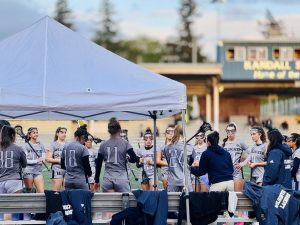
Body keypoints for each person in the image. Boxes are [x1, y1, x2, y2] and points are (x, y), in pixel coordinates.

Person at [94, 117, 140, 192]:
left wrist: (96, 180)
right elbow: (134, 159)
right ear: (119, 130)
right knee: (125, 202)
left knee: (109, 203)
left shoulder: (103, 145)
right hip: (121, 178)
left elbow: (98, 164)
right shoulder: (125, 143)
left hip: (107, 179)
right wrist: (139, 159)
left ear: (109, 131)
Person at [162, 125, 195, 192]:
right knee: (188, 201)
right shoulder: (189, 147)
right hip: (185, 180)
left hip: (172, 180)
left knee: (172, 201)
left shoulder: (166, 148)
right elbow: (191, 162)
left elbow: (168, 162)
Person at [61, 125, 92, 190]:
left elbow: (62, 165)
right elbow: (87, 165)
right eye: (84, 140)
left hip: (68, 180)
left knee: (70, 199)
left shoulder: (65, 146)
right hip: (80, 180)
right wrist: (90, 177)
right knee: (83, 199)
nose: (84, 142)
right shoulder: (83, 148)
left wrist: (62, 178)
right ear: (81, 137)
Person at [222, 123, 249, 192]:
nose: (230, 133)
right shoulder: (222, 144)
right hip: (225, 173)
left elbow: (252, 153)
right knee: (226, 196)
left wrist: (243, 163)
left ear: (235, 131)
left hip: (237, 172)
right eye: (228, 131)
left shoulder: (240, 142)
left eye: (232, 131)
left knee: (237, 195)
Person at [0, 125, 27, 193]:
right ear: (12, 135)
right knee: (17, 203)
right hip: (14, 181)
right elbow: (24, 164)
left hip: (1, 181)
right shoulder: (18, 149)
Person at [22, 127, 46, 193]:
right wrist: (37, 161)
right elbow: (25, 161)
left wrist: (43, 159)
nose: (36, 134)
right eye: (34, 132)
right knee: (29, 191)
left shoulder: (41, 144)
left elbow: (43, 155)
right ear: (29, 135)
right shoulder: (25, 145)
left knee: (42, 192)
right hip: (28, 171)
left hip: (38, 171)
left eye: (37, 132)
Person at [46, 127, 67, 191]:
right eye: (62, 132)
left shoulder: (68, 144)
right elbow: (48, 159)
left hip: (67, 169)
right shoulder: (53, 144)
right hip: (57, 169)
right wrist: (59, 161)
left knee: (66, 189)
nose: (64, 134)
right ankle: (53, 200)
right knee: (56, 191)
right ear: (57, 134)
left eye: (65, 132)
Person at [156, 125, 175, 189]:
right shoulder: (161, 146)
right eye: (168, 132)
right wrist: (170, 163)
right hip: (165, 172)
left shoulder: (178, 146)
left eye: (172, 131)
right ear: (165, 134)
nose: (170, 133)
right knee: (166, 191)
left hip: (176, 172)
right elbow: (158, 160)